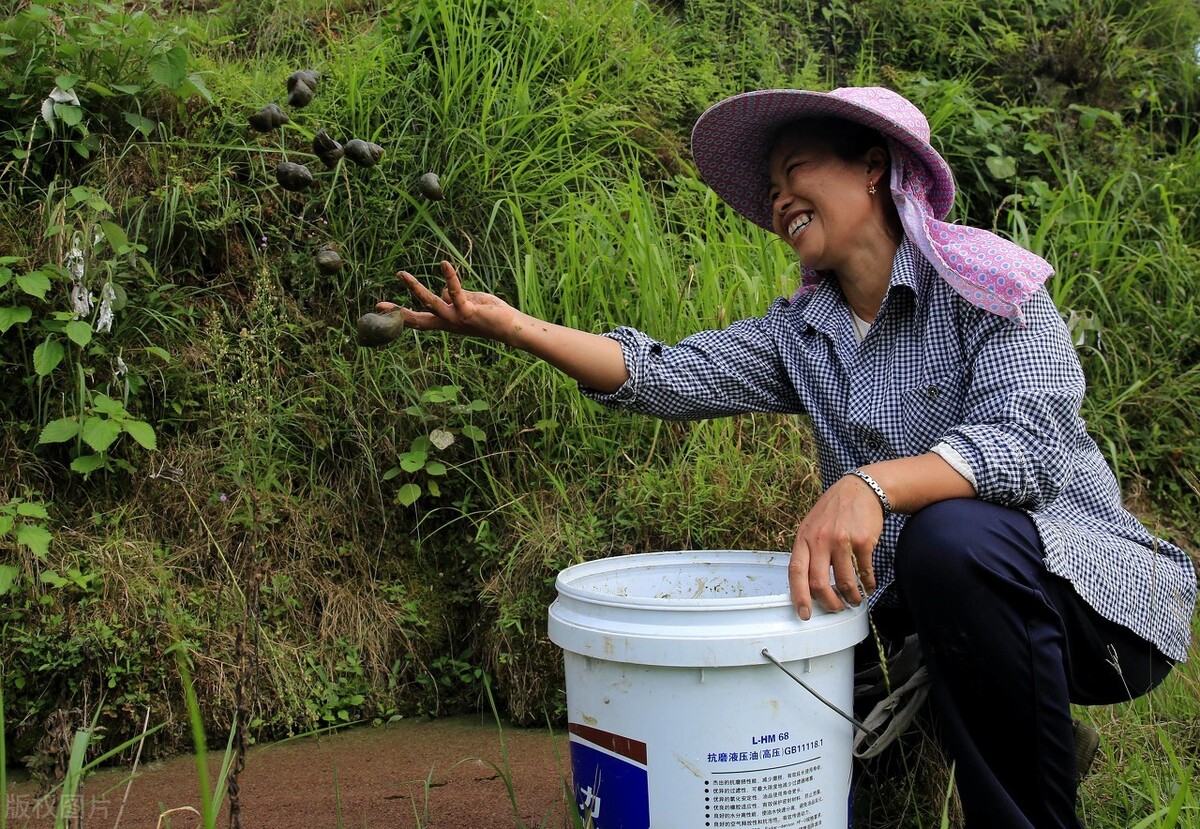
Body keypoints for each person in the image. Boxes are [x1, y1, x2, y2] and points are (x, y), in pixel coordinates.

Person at [378, 87, 1197, 828]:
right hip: (941, 602)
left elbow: (1030, 444)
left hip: (1092, 599)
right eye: (769, 188)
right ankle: (977, 728)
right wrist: (516, 328)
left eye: (795, 170)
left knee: (948, 538)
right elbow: (665, 373)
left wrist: (870, 485)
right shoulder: (806, 334)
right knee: (817, 654)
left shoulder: (986, 283)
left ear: (874, 169)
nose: (777, 200)